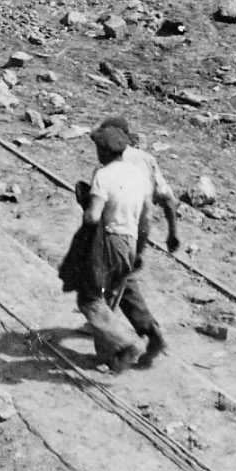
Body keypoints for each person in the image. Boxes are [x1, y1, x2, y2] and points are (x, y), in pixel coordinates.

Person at [56, 116, 180, 373]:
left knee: (98, 295)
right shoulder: (143, 165)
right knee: (125, 285)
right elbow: (161, 204)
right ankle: (151, 333)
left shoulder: (105, 172)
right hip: (134, 236)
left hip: (110, 237)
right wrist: (163, 237)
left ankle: (118, 350)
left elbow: (93, 215)